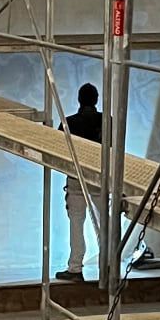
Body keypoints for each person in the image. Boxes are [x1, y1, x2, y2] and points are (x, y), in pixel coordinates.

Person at [58, 81, 103, 280]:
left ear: (79, 99)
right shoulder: (107, 121)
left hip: (76, 178)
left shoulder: (69, 123)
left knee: (76, 223)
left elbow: (58, 151)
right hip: (101, 177)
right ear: (96, 100)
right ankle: (108, 267)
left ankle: (75, 268)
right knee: (104, 226)